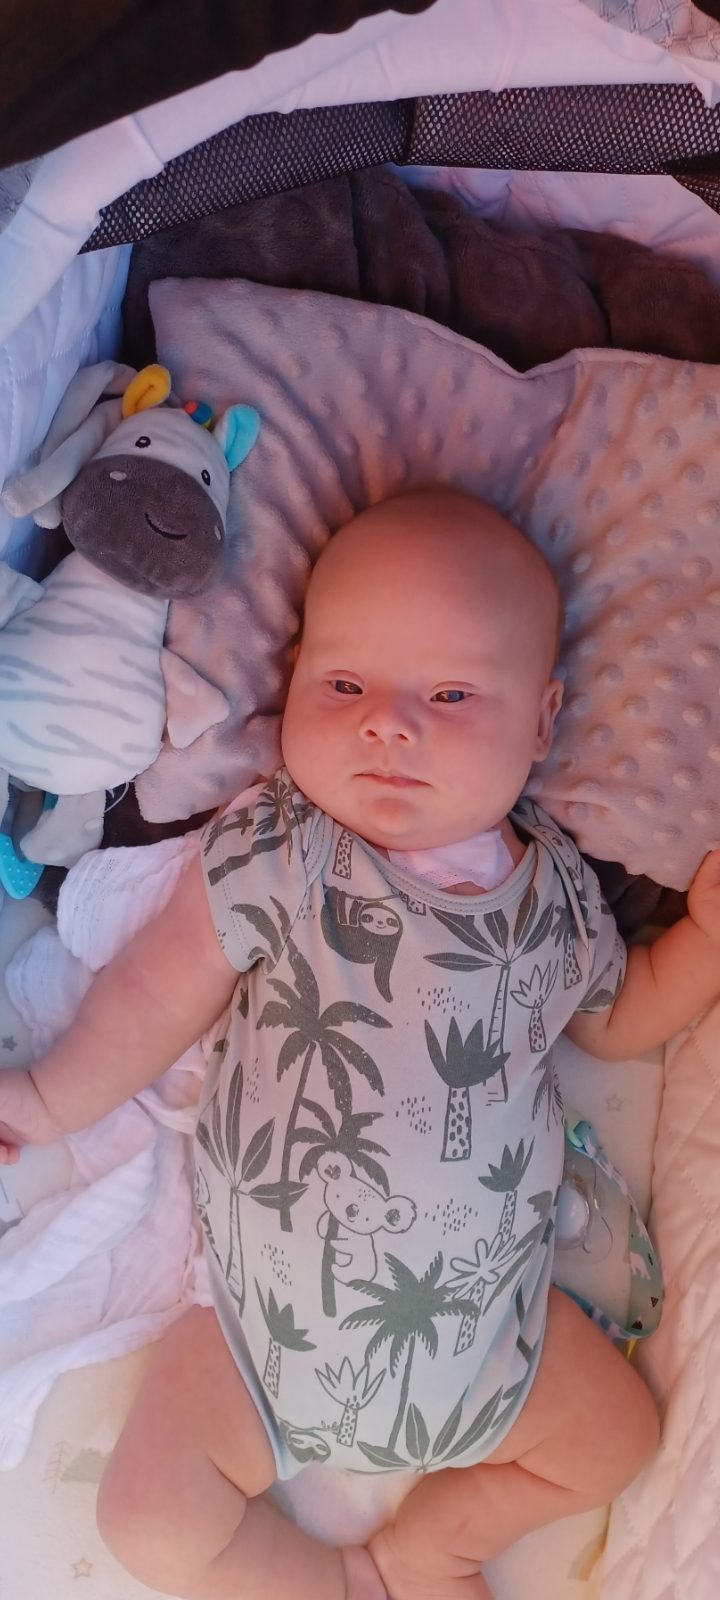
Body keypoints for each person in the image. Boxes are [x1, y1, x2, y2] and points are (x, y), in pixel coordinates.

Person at [3, 486, 720, 1600]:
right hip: (258, 1350)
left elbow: (619, 1019)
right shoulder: (289, 847)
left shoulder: (556, 902)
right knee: (148, 1517)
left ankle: (432, 1547)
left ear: (542, 721)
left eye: (450, 694)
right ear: (293, 683)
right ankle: (331, 1585)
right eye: (344, 686)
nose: (389, 724)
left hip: (490, 1347)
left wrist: (704, 945)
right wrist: (49, 1099)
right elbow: (155, 992)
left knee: (616, 1438)